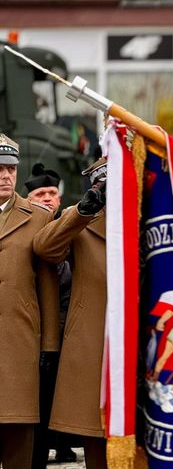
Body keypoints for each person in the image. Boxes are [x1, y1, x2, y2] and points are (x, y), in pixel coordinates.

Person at [33, 158, 108, 469]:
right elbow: (45, 248)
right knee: (96, 439)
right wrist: (83, 210)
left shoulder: (148, 216)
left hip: (138, 338)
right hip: (93, 342)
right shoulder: (82, 219)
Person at [0, 134, 59, 469]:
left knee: (19, 436)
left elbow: (48, 285)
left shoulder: (37, 218)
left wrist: (49, 346)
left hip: (20, 344)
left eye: (10, 168)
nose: (6, 175)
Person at [24, 164, 79, 468]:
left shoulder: (74, 225)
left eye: (52, 193)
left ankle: (64, 445)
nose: (47, 198)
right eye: (39, 194)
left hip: (66, 327)